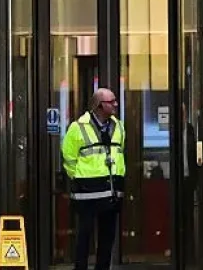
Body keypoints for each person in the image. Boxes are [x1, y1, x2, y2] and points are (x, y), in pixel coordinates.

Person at [61, 88, 126, 270]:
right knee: (84, 237)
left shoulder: (119, 126)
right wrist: (79, 177)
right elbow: (68, 157)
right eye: (111, 102)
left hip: (111, 192)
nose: (115, 104)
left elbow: (119, 153)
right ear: (99, 106)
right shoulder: (78, 127)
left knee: (107, 238)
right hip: (87, 193)